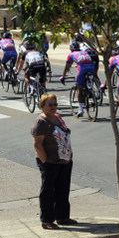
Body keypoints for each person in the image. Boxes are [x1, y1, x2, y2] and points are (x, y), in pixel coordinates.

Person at [31, 93, 75, 230]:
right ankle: (47, 220)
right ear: (42, 106)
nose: (53, 107)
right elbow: (37, 144)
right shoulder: (41, 122)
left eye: (55, 104)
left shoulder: (58, 117)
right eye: (50, 105)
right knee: (48, 191)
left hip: (64, 161)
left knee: (63, 189)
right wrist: (45, 160)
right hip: (50, 162)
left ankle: (62, 216)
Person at [59, 40, 97, 117]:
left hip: (82, 68)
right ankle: (90, 87)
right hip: (92, 67)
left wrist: (63, 76)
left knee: (79, 88)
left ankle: (80, 109)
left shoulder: (71, 55)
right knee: (89, 78)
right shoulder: (84, 52)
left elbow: (67, 67)